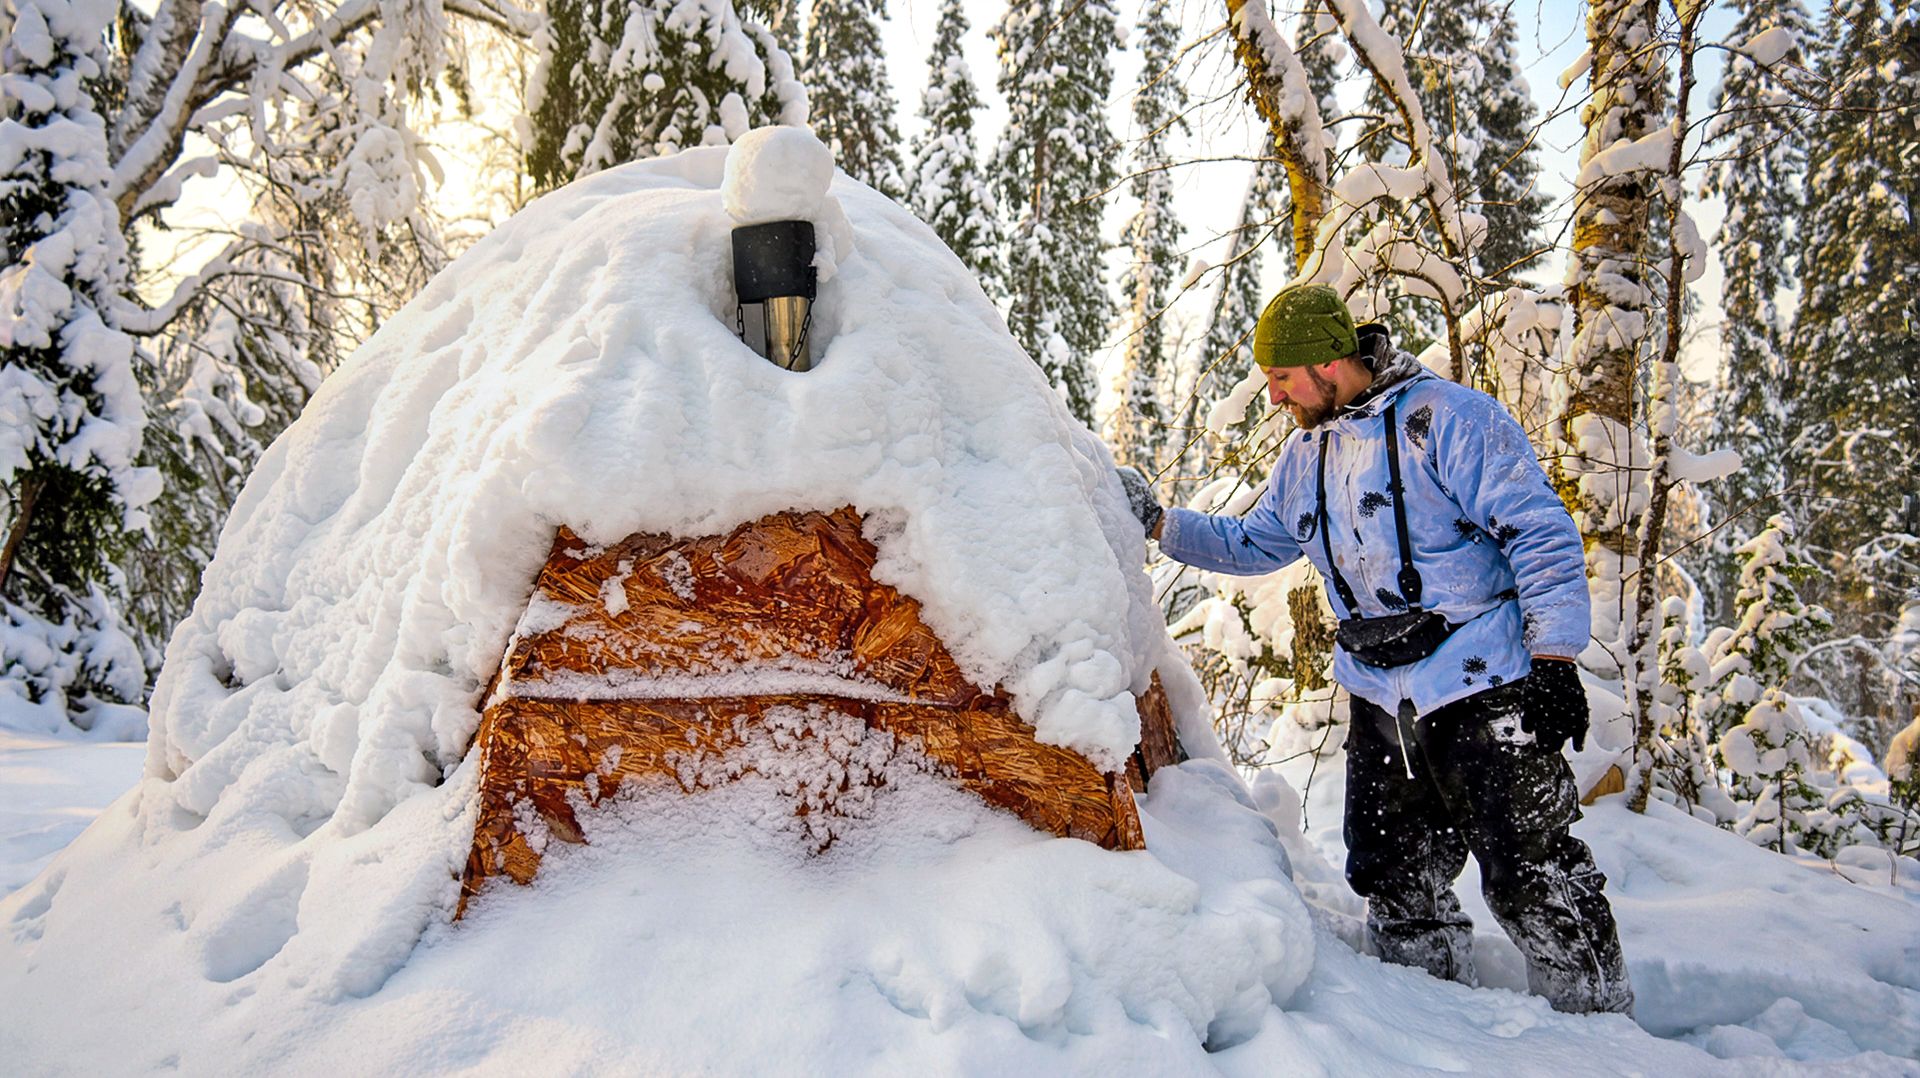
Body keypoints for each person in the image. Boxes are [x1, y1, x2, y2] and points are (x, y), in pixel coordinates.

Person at [1117, 283, 1632, 1015]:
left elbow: (1539, 532)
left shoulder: (1449, 421)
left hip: (1482, 684)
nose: (1273, 398)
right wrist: (1160, 522)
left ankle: (1601, 1024)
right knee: (1392, 872)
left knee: (1530, 869)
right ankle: (1424, 1023)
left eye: (1282, 378)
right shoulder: (1306, 455)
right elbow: (1254, 541)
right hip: (1380, 693)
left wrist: (1553, 662)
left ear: (1329, 362)